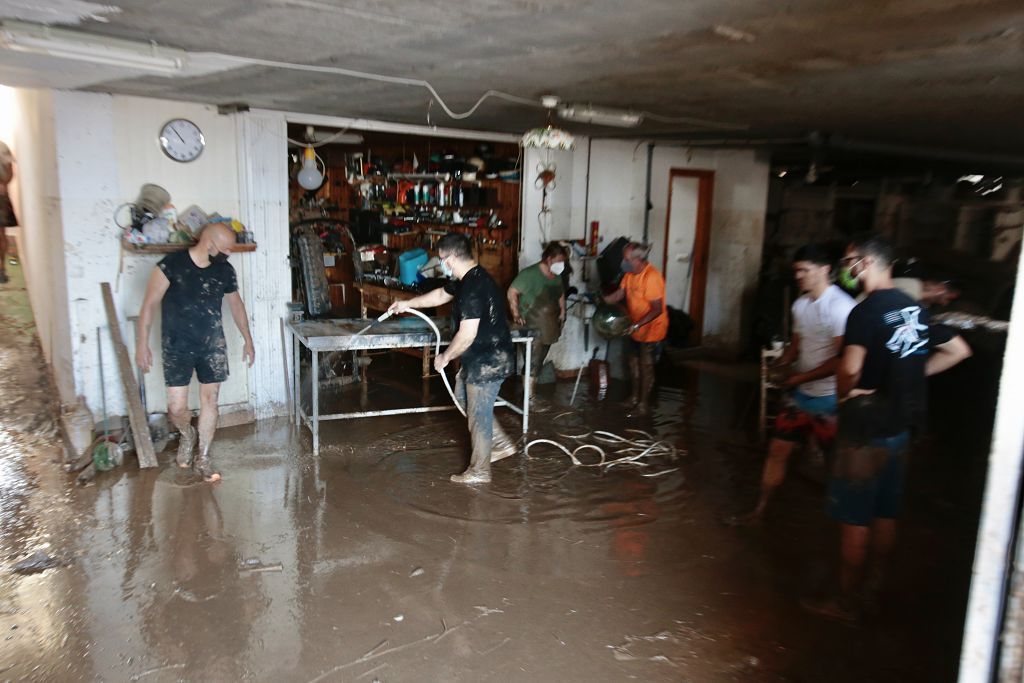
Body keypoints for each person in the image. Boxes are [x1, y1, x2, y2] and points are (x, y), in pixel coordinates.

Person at [804, 233, 971, 621]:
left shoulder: (865, 311)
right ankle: (874, 583)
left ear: (864, 263)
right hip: (900, 430)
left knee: (854, 517)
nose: (846, 269)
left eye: (848, 262)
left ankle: (846, 600)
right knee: (885, 510)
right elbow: (959, 350)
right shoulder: (911, 307)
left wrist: (845, 396)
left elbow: (849, 368)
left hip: (865, 431)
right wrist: (908, 381)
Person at [738, 245, 855, 523]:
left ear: (826, 269)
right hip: (800, 395)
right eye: (797, 271)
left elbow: (842, 359)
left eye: (805, 270)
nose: (799, 276)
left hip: (829, 398)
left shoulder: (841, 307)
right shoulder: (800, 305)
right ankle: (760, 509)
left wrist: (799, 377)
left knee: (834, 462)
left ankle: (839, 519)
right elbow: (796, 344)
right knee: (777, 451)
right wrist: (781, 365)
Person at [388, 232, 516, 485]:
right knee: (463, 397)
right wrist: (407, 304)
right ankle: (500, 444)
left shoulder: (472, 287)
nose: (441, 264)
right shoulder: (467, 278)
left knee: (478, 412)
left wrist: (445, 357)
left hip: (489, 359)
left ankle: (480, 470)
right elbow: (440, 296)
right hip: (480, 356)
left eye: (441, 260)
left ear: (450, 259)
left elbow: (466, 335)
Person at [135, 223, 255, 482]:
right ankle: (187, 434)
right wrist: (142, 344)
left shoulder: (224, 270)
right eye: (225, 249)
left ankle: (203, 457)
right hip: (176, 345)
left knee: (210, 402)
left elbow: (236, 304)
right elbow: (149, 304)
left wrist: (248, 339)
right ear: (209, 243)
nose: (228, 254)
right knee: (176, 408)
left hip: (212, 345)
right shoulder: (171, 265)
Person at [603, 242, 668, 415]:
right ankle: (634, 397)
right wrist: (605, 299)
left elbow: (657, 309)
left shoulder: (652, 277)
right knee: (633, 363)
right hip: (635, 328)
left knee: (646, 366)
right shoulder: (629, 274)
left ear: (638, 259)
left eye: (626, 259)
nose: (623, 262)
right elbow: (621, 294)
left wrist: (637, 325)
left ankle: (643, 404)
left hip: (652, 329)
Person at [507, 242, 568, 398]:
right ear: (548, 259)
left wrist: (562, 311)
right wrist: (516, 314)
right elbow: (512, 292)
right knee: (532, 362)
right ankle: (530, 399)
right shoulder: (530, 274)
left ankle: (529, 395)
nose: (561, 265)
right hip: (531, 323)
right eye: (558, 261)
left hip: (549, 324)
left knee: (539, 360)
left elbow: (560, 293)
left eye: (563, 262)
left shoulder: (556, 276)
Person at [0, 141, 17, 284]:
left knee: (0, 234)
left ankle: (1, 269)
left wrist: (3, 184)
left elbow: (10, 171)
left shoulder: (2, 147)